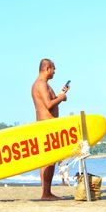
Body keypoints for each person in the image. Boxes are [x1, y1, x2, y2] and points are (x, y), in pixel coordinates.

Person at [31, 58, 70, 200]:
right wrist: (61, 97)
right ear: (47, 69)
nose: (54, 72)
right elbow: (48, 104)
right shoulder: (41, 84)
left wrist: (60, 95)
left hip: (47, 125)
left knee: (48, 160)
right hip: (46, 125)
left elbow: (51, 101)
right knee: (49, 160)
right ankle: (46, 193)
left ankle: (46, 192)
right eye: (53, 69)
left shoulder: (43, 85)